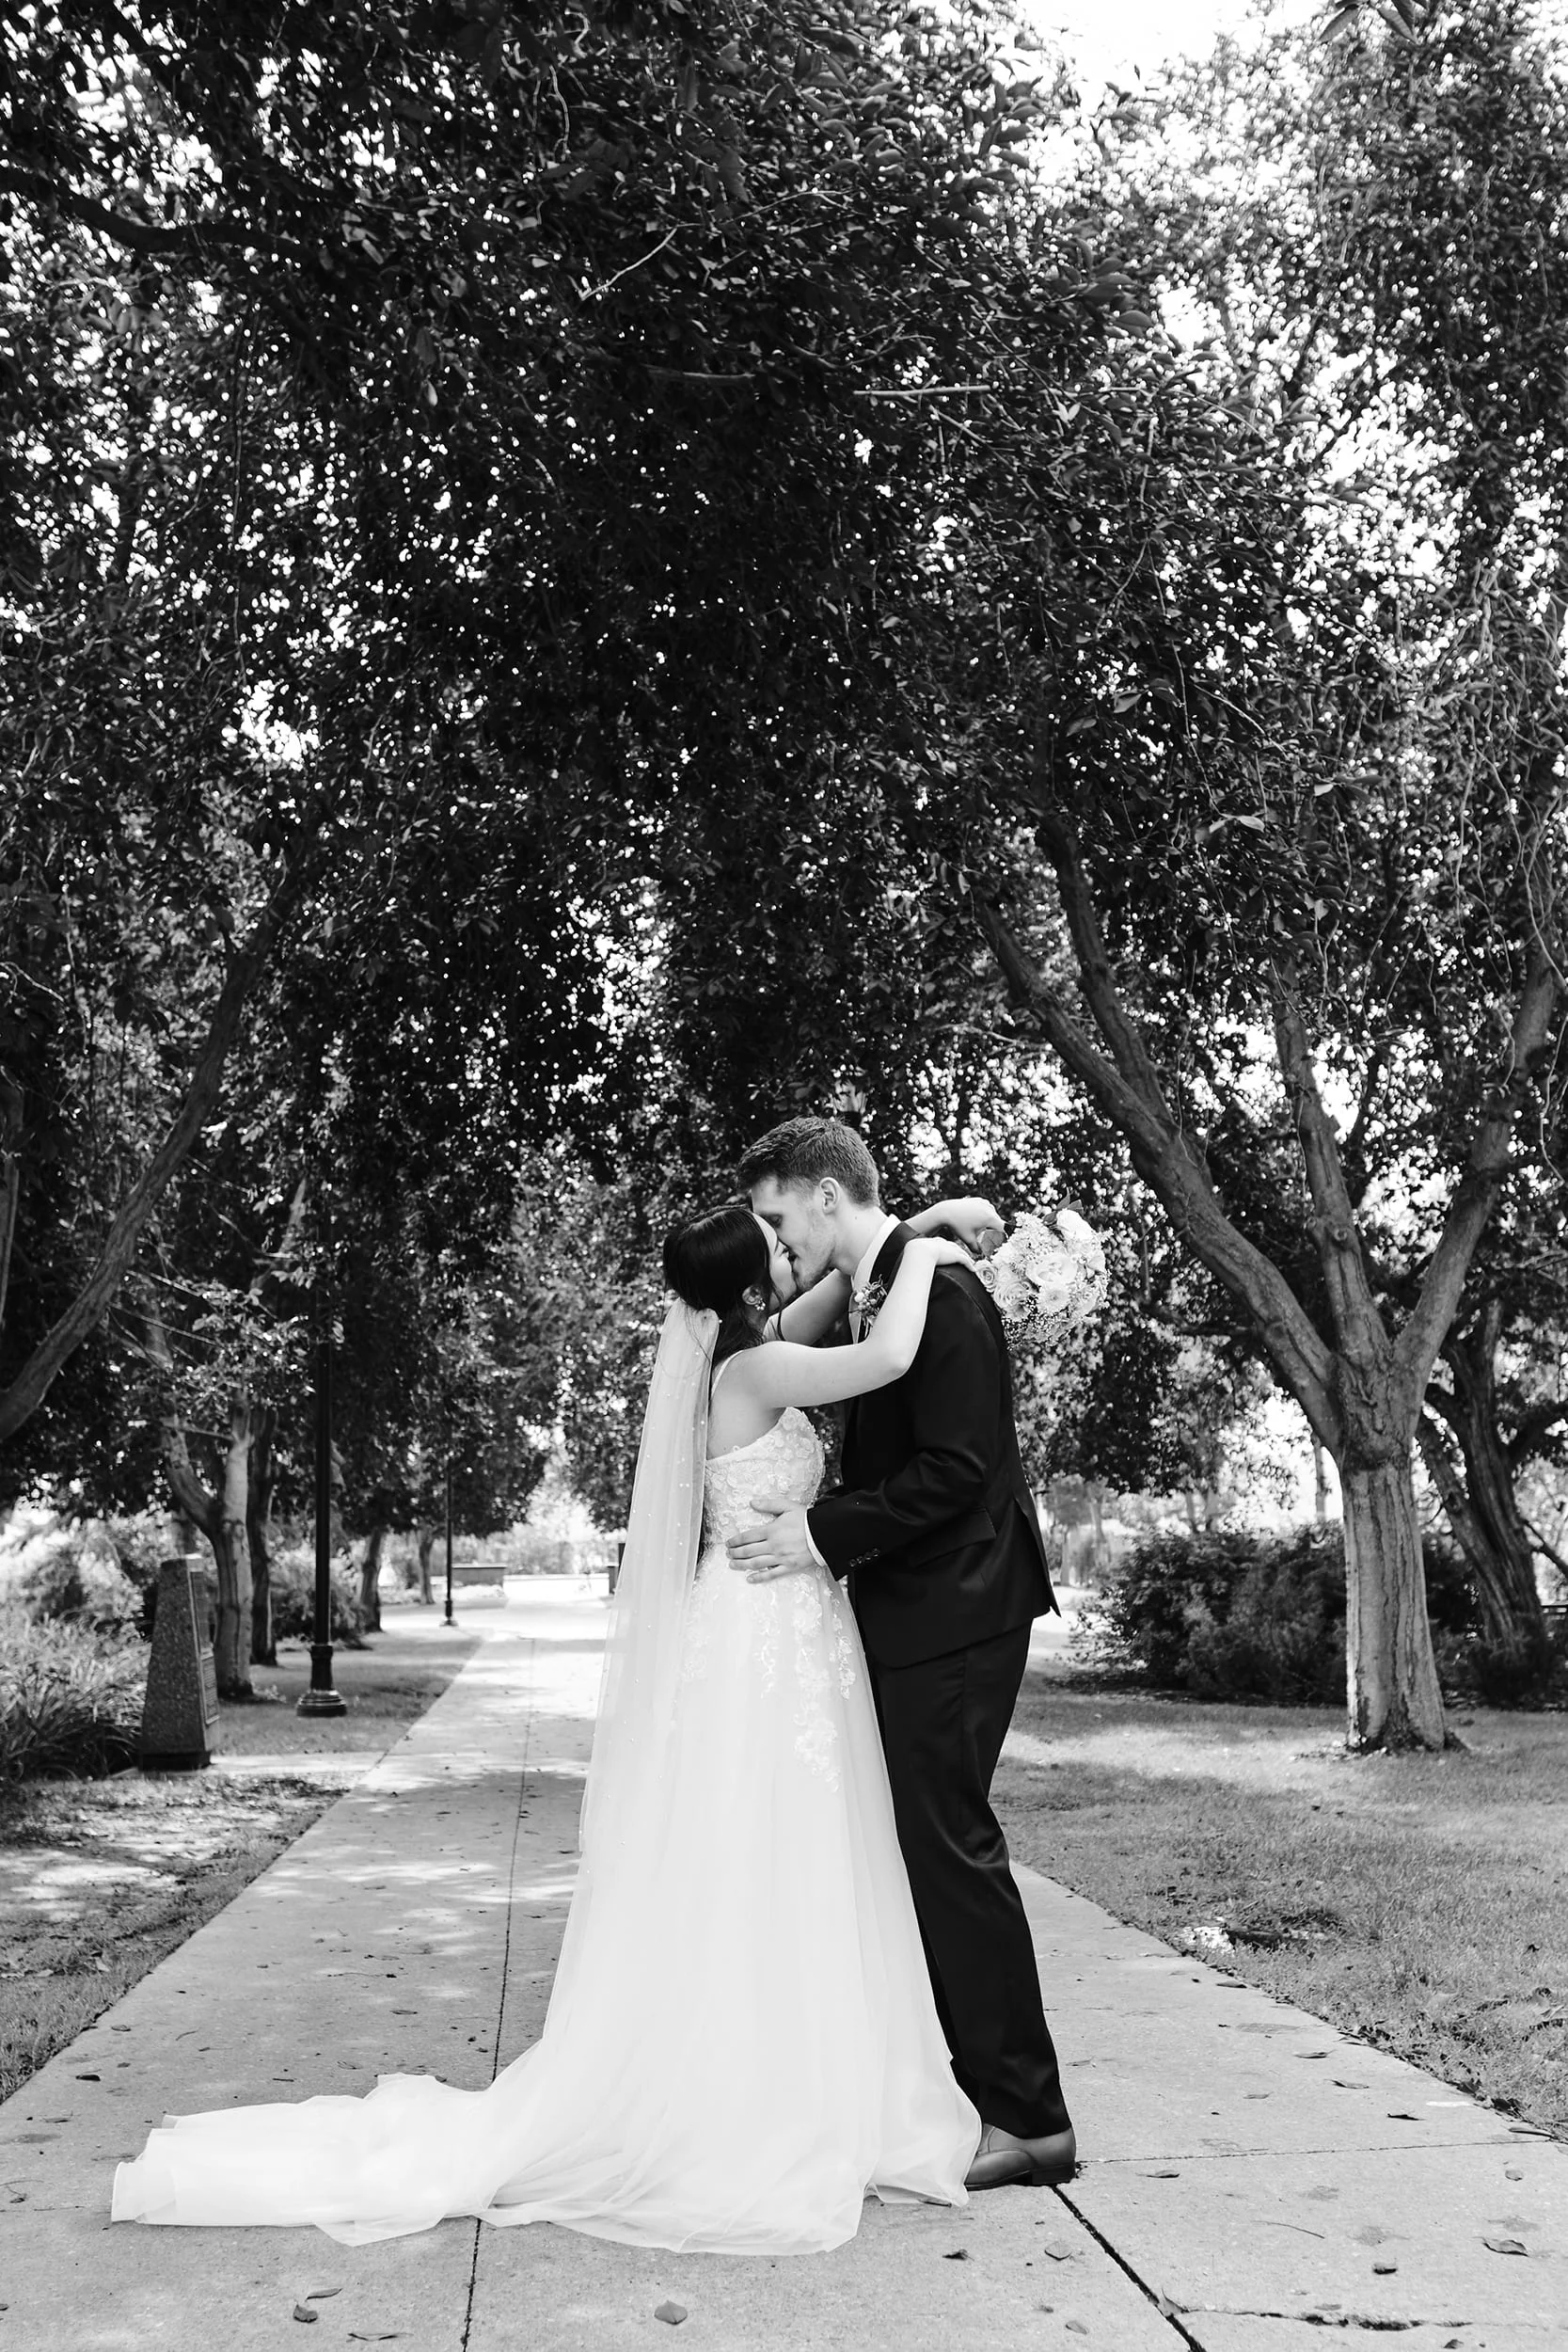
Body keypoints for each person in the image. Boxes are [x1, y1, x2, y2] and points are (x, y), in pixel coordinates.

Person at [109, 1189, 1013, 2253]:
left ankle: (804, 2074)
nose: (791, 1250)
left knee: (781, 1850)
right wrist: (928, 1255)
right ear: (743, 1280)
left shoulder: (744, 1352)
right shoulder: (758, 1371)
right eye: (774, 1243)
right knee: (773, 1847)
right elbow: (891, 1353)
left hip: (774, 1629)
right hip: (763, 1634)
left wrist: (913, 1220)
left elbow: (834, 1285)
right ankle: (776, 2095)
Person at [732, 1117, 1099, 2193]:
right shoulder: (889, 1278)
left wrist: (817, 1532)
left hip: (959, 1609)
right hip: (919, 1609)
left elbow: (957, 1469)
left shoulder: (941, 1293)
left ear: (823, 1195)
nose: (776, 1241)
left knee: (951, 1850)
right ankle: (983, 2090)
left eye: (778, 1217)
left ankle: (1029, 2118)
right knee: (929, 1850)